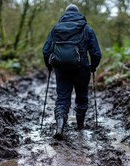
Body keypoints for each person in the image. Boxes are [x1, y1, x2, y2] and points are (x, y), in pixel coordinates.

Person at [42, 4, 102, 139]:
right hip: (82, 69)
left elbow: (46, 51)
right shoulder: (86, 29)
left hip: (61, 69)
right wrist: (93, 66)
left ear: (65, 14)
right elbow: (96, 53)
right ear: (78, 14)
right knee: (82, 98)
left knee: (62, 99)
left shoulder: (56, 29)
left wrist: (49, 65)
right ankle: (80, 127)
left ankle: (60, 127)